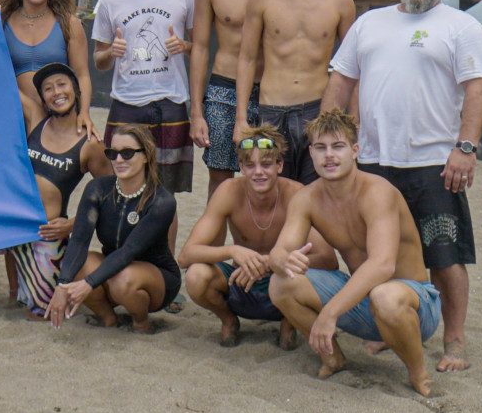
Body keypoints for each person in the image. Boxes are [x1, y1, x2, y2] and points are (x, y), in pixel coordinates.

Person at [320, 0, 482, 374]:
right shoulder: (369, 24)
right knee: (376, 251)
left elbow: (479, 89)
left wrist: (466, 148)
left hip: (436, 162)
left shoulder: (461, 26)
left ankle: (453, 338)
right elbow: (341, 82)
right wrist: (326, 140)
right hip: (375, 161)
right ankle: (389, 327)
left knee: (444, 252)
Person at [267, 109, 443, 397]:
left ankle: (417, 372)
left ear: (355, 151)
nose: (329, 156)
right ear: (311, 153)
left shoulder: (377, 191)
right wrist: (282, 260)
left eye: (338, 147)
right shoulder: (307, 198)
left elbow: (383, 266)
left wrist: (329, 313)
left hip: (413, 303)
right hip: (361, 301)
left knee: (385, 295)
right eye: (321, 148)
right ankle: (333, 358)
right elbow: (279, 251)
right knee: (281, 283)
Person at [178, 124, 336, 347]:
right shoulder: (229, 191)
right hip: (241, 279)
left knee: (308, 277)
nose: (258, 172)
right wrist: (234, 250)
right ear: (241, 167)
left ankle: (289, 321)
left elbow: (329, 261)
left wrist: (272, 263)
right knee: (196, 276)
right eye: (250, 165)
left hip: (285, 282)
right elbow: (186, 256)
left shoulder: (296, 194)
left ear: (279, 166)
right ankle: (228, 319)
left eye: (266, 164)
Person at [232, 0, 355, 184]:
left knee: (319, 192)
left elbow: (353, 67)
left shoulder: (340, 1)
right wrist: (241, 119)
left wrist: (354, 119)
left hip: (318, 110)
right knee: (274, 192)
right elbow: (247, 58)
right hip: (271, 111)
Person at [0, 63, 112, 319]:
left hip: (48, 241)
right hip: (15, 231)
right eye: (48, 89)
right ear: (43, 98)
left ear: (75, 89)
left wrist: (72, 225)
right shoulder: (38, 120)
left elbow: (113, 195)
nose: (56, 92)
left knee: (42, 315)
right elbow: (1, 83)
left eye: (62, 84)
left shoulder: (90, 143)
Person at [93, 0, 196, 201]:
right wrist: (110, 52)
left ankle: (165, 249)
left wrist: (185, 46)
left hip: (171, 104)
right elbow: (99, 61)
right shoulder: (109, 2)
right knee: (122, 189)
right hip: (126, 105)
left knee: (166, 195)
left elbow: (199, 49)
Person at [189, 0, 286, 197]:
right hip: (224, 90)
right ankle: (213, 244)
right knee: (221, 177)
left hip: (272, 90)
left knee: (274, 175)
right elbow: (201, 48)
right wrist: (196, 111)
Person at [46, 125, 182, 334]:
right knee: (76, 265)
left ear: (146, 156)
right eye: (113, 153)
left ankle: (141, 323)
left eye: (127, 153)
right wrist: (63, 284)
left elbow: (129, 251)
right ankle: (109, 319)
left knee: (122, 279)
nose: (119, 160)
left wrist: (89, 283)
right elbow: (80, 240)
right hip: (114, 268)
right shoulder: (98, 188)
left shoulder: (162, 201)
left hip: (156, 279)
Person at [0, 0, 95, 133]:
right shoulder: (0, 22)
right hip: (12, 120)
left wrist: (84, 113)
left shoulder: (69, 24)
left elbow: (82, 75)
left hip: (57, 121)